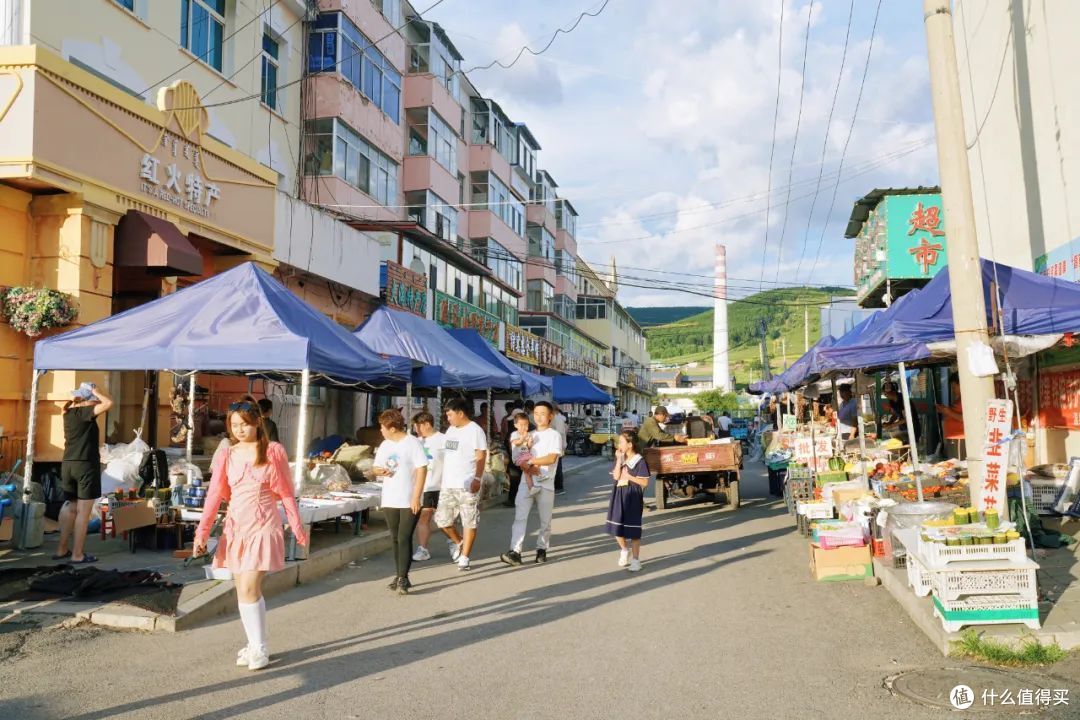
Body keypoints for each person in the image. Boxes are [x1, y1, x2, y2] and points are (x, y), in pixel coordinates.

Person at [194, 397, 308, 671]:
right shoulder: (226, 454)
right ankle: (254, 642)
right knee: (244, 591)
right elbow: (214, 495)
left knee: (248, 587)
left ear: (257, 422)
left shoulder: (274, 451)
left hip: (263, 526)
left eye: (244, 424)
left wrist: (297, 528)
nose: (239, 430)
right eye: (234, 425)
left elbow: (286, 493)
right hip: (235, 529)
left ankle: (259, 648)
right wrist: (202, 532)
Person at [55, 382, 113, 564]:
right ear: (89, 401)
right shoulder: (85, 413)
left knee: (70, 506)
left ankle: (61, 549)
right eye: (94, 400)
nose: (96, 402)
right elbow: (109, 403)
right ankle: (77, 554)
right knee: (83, 512)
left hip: (68, 465)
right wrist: (98, 392)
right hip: (85, 466)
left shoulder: (67, 414)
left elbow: (69, 406)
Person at [372, 409, 428, 595]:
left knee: (404, 538)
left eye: (383, 427)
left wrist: (416, 497)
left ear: (393, 428)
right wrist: (379, 471)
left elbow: (422, 469)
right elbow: (376, 467)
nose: (381, 430)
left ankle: (403, 577)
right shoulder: (385, 445)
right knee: (395, 538)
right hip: (390, 497)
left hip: (408, 499)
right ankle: (399, 574)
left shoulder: (412, 443)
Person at [501, 401, 563, 565]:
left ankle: (541, 549)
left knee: (545, 520)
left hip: (546, 483)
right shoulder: (528, 434)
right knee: (520, 517)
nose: (539, 417)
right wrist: (526, 467)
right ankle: (515, 551)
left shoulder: (554, 435)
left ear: (550, 416)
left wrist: (533, 463)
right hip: (526, 482)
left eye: (543, 413)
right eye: (536, 413)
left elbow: (552, 458)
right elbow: (518, 456)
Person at [435, 398, 487, 571]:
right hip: (448, 484)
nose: (448, 419)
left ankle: (465, 557)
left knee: (469, 521)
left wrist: (477, 479)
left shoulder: (475, 431)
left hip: (467, 483)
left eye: (450, 415)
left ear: (460, 413)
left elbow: (481, 455)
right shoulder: (450, 430)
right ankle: (459, 542)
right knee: (442, 521)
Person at [606, 430, 649, 572]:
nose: (619, 445)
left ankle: (636, 560)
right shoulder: (621, 458)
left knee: (633, 529)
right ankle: (624, 550)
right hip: (619, 493)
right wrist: (618, 459)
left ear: (630, 444)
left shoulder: (640, 460)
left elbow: (644, 483)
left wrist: (629, 477)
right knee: (616, 527)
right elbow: (616, 476)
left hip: (633, 495)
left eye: (621, 442)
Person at [412, 412, 445, 562]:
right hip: (423, 486)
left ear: (427, 424)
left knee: (443, 519)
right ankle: (423, 549)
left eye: (417, 426)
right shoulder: (416, 442)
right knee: (424, 517)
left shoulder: (444, 440)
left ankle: (456, 541)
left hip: (439, 484)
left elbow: (457, 456)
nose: (416, 429)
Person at [507, 411, 539, 501]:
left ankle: (532, 487)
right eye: (521, 425)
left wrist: (530, 442)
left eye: (526, 425)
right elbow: (516, 443)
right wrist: (522, 438)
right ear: (515, 425)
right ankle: (513, 498)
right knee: (518, 477)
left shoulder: (528, 434)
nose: (524, 427)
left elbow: (528, 447)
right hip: (518, 459)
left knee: (531, 469)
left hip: (526, 456)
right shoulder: (514, 434)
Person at [937, 375, 965, 458]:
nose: (953, 390)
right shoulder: (958, 400)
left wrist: (948, 412)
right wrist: (944, 410)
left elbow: (965, 418)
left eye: (954, 387)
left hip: (959, 438)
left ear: (961, 384)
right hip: (953, 438)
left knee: (959, 465)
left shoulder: (965, 399)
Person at [552, 406, 568, 495]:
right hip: (557, 445)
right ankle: (557, 486)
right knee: (556, 466)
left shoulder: (557, 419)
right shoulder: (558, 418)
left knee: (557, 467)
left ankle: (559, 487)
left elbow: (558, 434)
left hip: (557, 446)